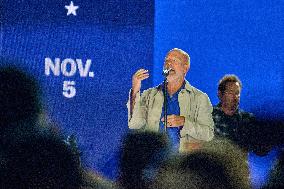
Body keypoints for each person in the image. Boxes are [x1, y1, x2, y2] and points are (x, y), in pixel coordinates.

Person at [127, 48, 214, 153]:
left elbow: (208, 134)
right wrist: (135, 89)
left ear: (185, 68)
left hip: (183, 162)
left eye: (174, 61)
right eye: (166, 61)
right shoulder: (149, 95)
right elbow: (134, 124)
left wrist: (184, 122)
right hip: (154, 161)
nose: (168, 64)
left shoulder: (200, 98)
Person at [212, 74, 255, 150]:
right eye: (231, 92)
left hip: (238, 161)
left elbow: (259, 149)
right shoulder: (208, 116)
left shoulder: (247, 119)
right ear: (220, 94)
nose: (235, 97)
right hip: (214, 159)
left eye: (237, 93)